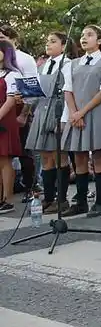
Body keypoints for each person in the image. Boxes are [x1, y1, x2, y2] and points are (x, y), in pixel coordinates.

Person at [61, 25, 101, 217]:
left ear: (100, 40)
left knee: (99, 155)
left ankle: (100, 202)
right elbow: (67, 89)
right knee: (79, 156)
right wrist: (73, 112)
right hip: (76, 114)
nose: (84, 38)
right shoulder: (72, 63)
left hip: (96, 112)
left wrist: (82, 112)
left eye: (90, 35)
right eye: (83, 35)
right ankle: (81, 201)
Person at [26, 32, 77, 214]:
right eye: (47, 41)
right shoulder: (43, 65)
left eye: (53, 41)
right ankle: (48, 198)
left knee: (59, 156)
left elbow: (68, 92)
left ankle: (62, 199)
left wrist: (63, 119)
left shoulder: (67, 65)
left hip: (57, 108)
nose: (48, 44)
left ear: (64, 46)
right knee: (45, 157)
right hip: (42, 109)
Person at [0, 39, 23, 214]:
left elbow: (10, 101)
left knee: (5, 159)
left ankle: (7, 198)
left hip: (5, 119)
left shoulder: (12, 74)